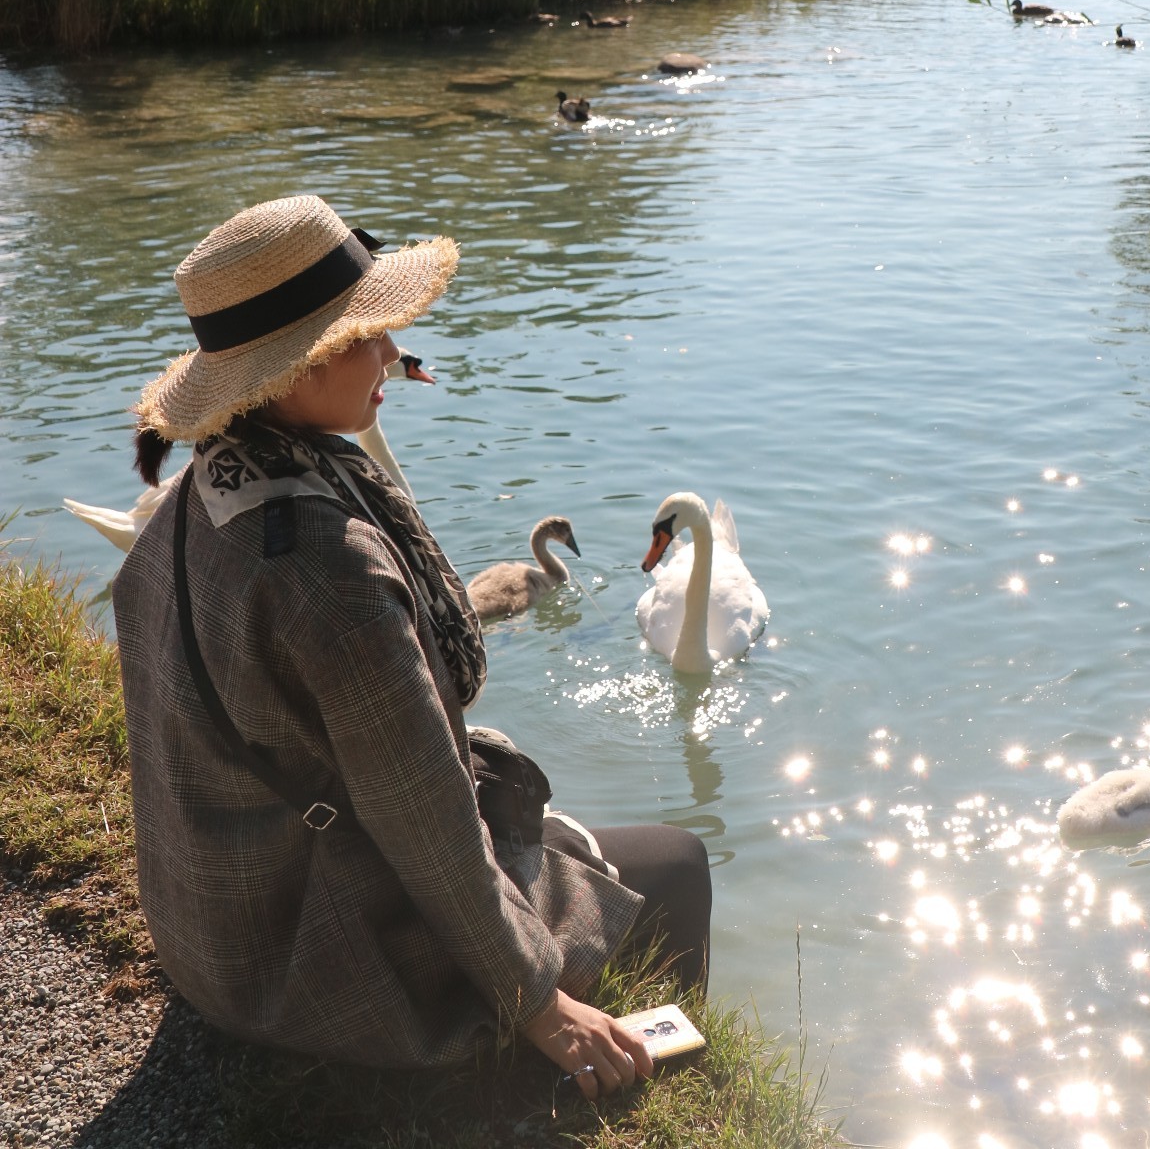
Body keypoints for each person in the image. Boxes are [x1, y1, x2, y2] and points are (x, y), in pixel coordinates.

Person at [111, 193, 710, 1100]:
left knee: (566, 839)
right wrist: (539, 1001)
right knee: (676, 864)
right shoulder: (332, 571)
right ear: (295, 366)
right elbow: (421, 821)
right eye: (367, 335)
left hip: (214, 930)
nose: (391, 351)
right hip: (304, 962)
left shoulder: (207, 492)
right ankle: (630, 1090)